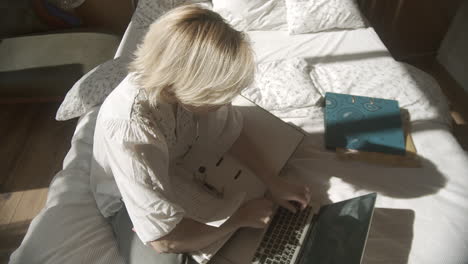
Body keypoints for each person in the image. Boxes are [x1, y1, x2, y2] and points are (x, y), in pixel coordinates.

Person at [90, 4, 311, 264]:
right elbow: (164, 239)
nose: (224, 103)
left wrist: (273, 181)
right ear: (188, 84)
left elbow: (230, 131)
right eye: (217, 97)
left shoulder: (177, 89)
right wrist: (237, 219)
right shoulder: (132, 133)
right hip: (127, 201)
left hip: (179, 165)